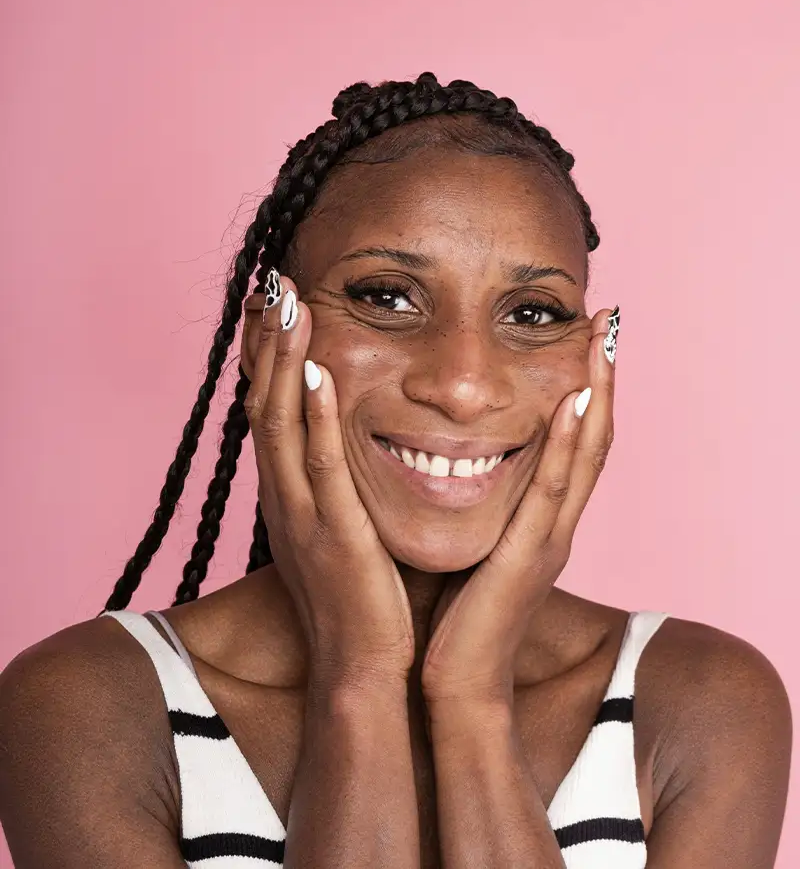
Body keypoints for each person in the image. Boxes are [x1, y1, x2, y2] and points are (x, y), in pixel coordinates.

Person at [0, 73, 792, 869]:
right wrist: (361, 672)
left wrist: (472, 697)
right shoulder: (86, 707)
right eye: (387, 298)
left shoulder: (699, 701)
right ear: (269, 335)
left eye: (532, 313)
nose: (464, 385)